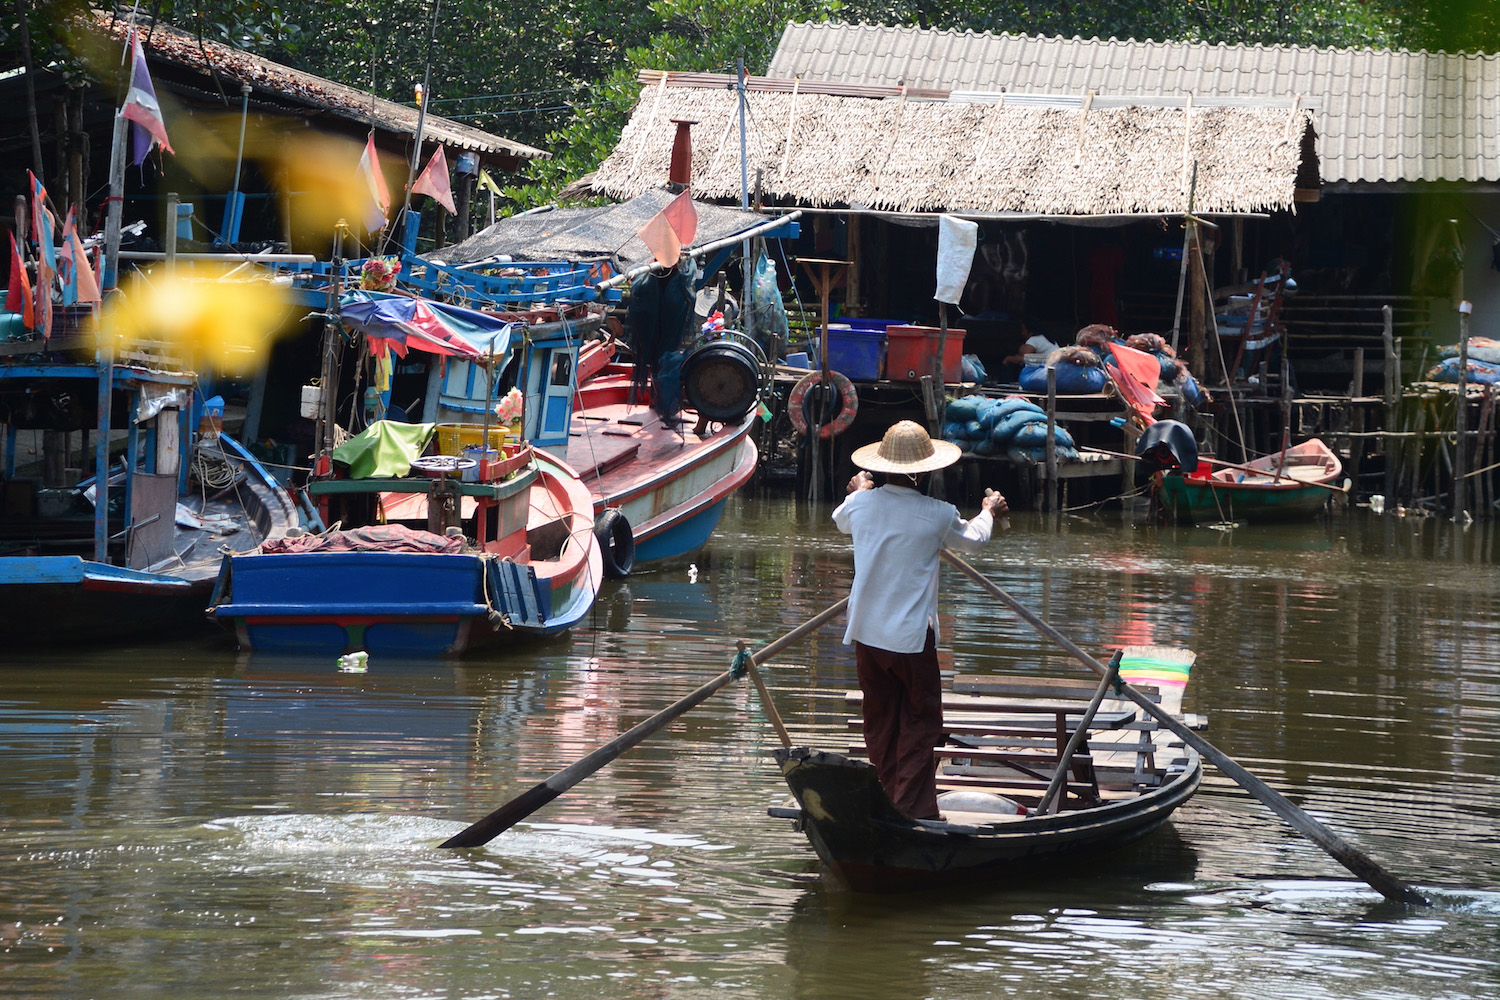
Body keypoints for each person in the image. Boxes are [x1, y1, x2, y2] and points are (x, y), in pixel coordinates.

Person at [832, 420, 1008, 819]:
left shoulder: (860, 503)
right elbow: (976, 540)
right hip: (910, 640)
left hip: (866, 634)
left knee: (880, 721)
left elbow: (842, 518)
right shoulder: (938, 514)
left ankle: (887, 799)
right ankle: (909, 810)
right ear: (925, 471)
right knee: (920, 722)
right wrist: (988, 511)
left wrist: (861, 490)